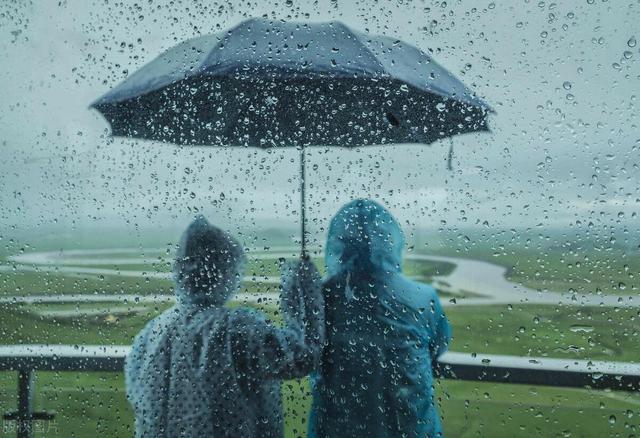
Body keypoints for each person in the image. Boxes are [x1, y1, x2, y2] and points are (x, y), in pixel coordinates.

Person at [125, 216, 324, 437]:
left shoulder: (150, 334)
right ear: (224, 272)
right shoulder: (236, 330)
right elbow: (301, 357)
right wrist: (303, 293)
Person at [308, 199, 451, 438]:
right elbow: (436, 347)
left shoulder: (323, 297)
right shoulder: (423, 298)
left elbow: (306, 351)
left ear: (338, 244)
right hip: (410, 428)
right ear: (391, 241)